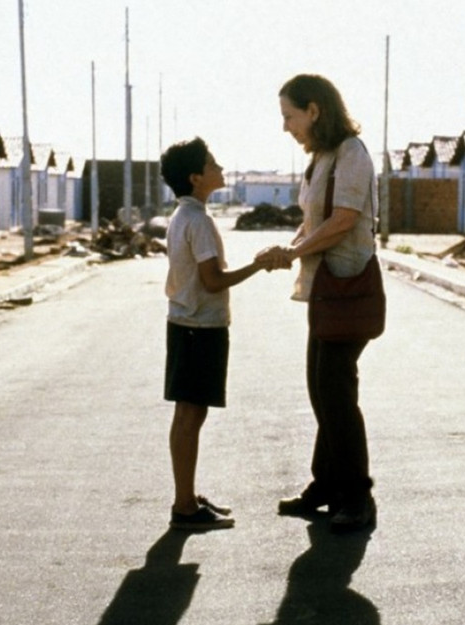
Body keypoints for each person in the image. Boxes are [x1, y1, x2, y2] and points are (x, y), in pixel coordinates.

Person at [267, 74, 379, 533]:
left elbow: (343, 220)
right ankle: (326, 485)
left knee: (335, 394)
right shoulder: (321, 159)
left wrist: (295, 251)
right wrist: (288, 247)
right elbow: (314, 222)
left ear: (314, 110)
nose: (286, 127)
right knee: (323, 391)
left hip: (347, 288)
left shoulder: (352, 154)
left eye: (289, 116)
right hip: (323, 290)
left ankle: (357, 497)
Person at [161, 137, 279, 531]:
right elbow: (212, 281)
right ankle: (185, 506)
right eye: (212, 163)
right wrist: (259, 265)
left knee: (188, 413)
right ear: (196, 177)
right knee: (191, 415)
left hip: (186, 325)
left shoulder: (185, 215)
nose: (220, 167)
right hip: (199, 327)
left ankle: (187, 497)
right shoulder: (198, 221)